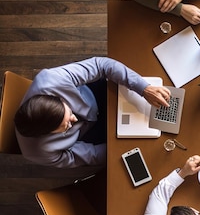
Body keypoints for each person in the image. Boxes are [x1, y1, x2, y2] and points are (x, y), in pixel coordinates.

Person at [14, 57, 170, 169]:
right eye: (67, 125)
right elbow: (92, 155)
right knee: (152, 142)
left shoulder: (51, 80)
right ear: (49, 134)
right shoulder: (39, 153)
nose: (74, 118)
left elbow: (101, 65)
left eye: (68, 112)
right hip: (90, 135)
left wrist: (144, 88)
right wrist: (126, 146)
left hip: (94, 95)